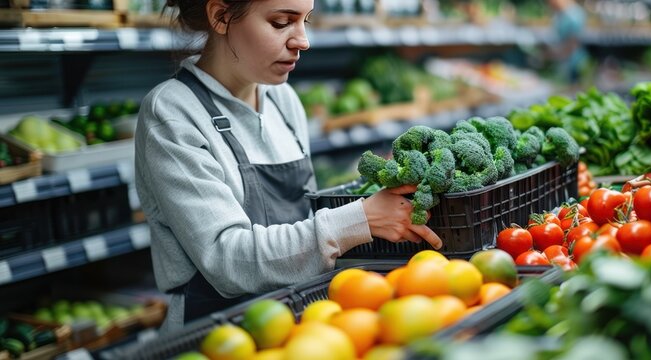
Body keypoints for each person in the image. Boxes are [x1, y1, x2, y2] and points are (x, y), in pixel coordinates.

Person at [134, 0, 442, 332]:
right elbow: (227, 261)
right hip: (216, 336)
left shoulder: (284, 102)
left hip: (302, 322)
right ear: (221, 16)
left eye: (306, 20)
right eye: (282, 23)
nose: (303, 40)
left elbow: (305, 219)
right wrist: (359, 219)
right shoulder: (172, 113)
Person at [546, 0, 588, 84]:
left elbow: (572, 45)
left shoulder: (573, 15)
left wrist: (552, 55)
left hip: (575, 64)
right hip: (564, 61)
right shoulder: (561, 14)